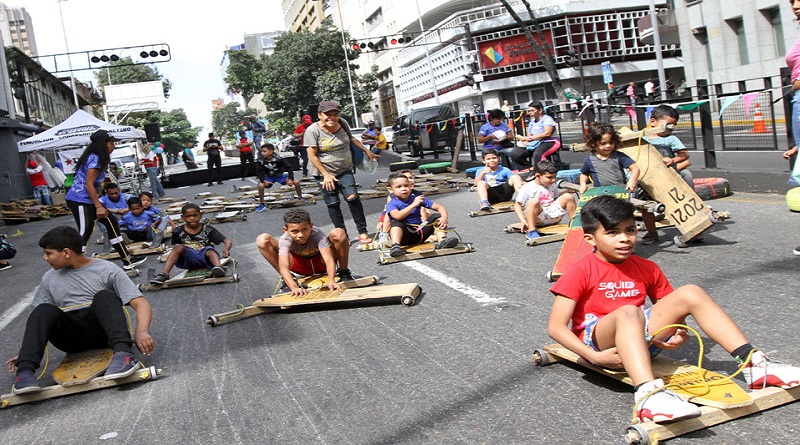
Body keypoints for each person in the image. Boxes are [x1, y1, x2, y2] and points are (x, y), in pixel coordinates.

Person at [547, 195, 800, 423]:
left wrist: (680, 333)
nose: (625, 238)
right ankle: (648, 394)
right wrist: (594, 357)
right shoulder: (581, 269)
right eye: (612, 233)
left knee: (691, 292)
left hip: (640, 338)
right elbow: (556, 327)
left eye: (630, 230)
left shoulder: (647, 268)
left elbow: (670, 311)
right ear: (590, 239)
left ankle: (753, 365)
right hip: (602, 345)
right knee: (628, 311)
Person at [5, 226, 155, 394]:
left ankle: (123, 355)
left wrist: (141, 332)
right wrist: (29, 350)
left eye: (49, 253)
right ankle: (24, 372)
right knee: (43, 309)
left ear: (67, 253)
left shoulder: (107, 269)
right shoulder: (49, 278)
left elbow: (140, 303)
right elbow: (40, 321)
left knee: (104, 296)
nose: (45, 258)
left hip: (104, 334)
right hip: (71, 339)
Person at [65, 129, 145, 270]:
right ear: (103, 144)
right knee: (85, 231)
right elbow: (88, 184)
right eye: (111, 143)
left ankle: (127, 259)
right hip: (79, 200)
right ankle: (71, 265)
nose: (113, 145)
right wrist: (99, 206)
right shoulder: (95, 158)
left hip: (87, 199)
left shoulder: (97, 157)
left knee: (112, 223)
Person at [303, 100, 379, 245]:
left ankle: (362, 232)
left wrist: (367, 151)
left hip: (344, 169)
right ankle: (342, 235)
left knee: (352, 197)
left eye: (335, 114)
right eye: (327, 114)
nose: (331, 117)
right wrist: (326, 174)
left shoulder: (342, 123)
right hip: (323, 173)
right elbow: (311, 155)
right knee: (333, 203)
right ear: (319, 115)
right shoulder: (312, 131)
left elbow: (351, 139)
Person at [578, 123, 659, 244]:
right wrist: (583, 184)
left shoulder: (618, 156)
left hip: (620, 192)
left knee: (626, 216)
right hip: (602, 194)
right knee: (606, 217)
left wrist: (632, 181)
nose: (608, 146)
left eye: (611, 142)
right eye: (603, 143)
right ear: (593, 144)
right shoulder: (589, 159)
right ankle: (610, 241)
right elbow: (584, 173)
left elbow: (635, 168)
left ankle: (645, 235)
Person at [256, 208, 353, 296]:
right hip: (299, 266)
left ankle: (344, 272)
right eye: (295, 231)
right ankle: (289, 280)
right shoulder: (284, 240)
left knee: (338, 232)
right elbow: (283, 266)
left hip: (321, 263)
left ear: (311, 226)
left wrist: (331, 280)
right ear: (286, 230)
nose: (300, 235)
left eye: (305, 230)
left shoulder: (318, 234)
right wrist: (294, 287)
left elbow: (328, 259)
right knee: (262, 240)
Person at [149, 203, 232, 285]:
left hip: (205, 258)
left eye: (195, 215)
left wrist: (226, 248)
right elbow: (176, 249)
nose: (192, 218)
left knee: (210, 250)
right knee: (177, 247)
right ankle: (164, 274)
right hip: (188, 259)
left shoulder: (207, 229)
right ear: (182, 217)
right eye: (188, 216)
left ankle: (218, 268)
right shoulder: (178, 231)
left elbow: (227, 241)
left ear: (201, 215)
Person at [385, 171, 458, 257]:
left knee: (436, 216)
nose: (403, 189)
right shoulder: (392, 203)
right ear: (390, 189)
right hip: (404, 237)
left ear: (410, 186)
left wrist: (444, 217)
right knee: (397, 221)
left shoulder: (416, 198)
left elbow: (439, 207)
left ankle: (443, 240)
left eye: (406, 185)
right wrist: (413, 205)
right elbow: (397, 216)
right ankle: (396, 246)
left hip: (419, 232)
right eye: (399, 187)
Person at [514, 160, 577, 241]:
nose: (553, 180)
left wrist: (566, 192)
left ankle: (575, 225)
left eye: (555, 177)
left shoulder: (552, 185)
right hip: (538, 219)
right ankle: (532, 230)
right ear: (538, 176)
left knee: (568, 197)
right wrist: (522, 220)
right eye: (549, 177)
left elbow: (555, 198)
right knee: (533, 201)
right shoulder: (527, 187)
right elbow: (517, 205)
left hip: (553, 216)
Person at [643, 105, 693, 189]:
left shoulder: (670, 139)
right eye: (667, 125)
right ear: (653, 121)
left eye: (673, 126)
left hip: (669, 172)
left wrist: (673, 160)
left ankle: (692, 197)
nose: (670, 128)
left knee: (686, 174)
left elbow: (684, 154)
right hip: (647, 172)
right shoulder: (642, 139)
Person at [254, 143, 303, 213]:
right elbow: (258, 172)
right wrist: (264, 180)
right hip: (268, 177)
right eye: (262, 151)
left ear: (271, 152)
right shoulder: (260, 160)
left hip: (280, 176)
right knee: (261, 186)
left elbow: (289, 167)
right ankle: (261, 203)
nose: (262, 153)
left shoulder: (278, 158)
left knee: (296, 182)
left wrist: (290, 179)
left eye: (264, 151)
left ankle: (300, 197)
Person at [511, 101, 560, 170]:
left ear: (540, 110)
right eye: (529, 111)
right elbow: (528, 136)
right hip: (535, 143)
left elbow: (547, 133)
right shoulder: (532, 123)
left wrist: (531, 138)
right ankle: (528, 169)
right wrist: (526, 141)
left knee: (538, 154)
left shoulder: (547, 119)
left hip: (550, 141)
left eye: (532, 110)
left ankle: (540, 172)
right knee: (515, 153)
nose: (530, 113)